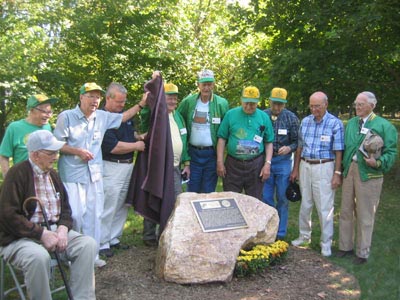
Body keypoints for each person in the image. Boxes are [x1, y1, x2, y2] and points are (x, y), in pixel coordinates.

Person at [54, 82, 147, 267]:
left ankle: (92, 255)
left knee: (94, 216)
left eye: (97, 97)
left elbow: (123, 117)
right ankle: (70, 255)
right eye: (91, 96)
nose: (94, 100)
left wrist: (141, 105)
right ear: (81, 97)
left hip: (94, 175)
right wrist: (77, 151)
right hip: (73, 175)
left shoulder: (102, 117)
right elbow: (56, 145)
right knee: (76, 216)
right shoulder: (67, 117)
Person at [0, 130, 97, 300]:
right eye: (51, 152)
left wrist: (62, 229)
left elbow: (66, 210)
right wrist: (41, 233)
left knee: (87, 245)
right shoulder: (17, 173)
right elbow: (7, 215)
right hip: (19, 237)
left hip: (53, 230)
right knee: (38, 257)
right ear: (36, 155)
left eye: (57, 152)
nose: (56, 156)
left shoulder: (53, 174)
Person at [338, 91, 398, 264]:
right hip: (350, 170)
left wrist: (378, 163)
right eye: (356, 104)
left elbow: (391, 152)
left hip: (370, 174)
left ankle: (362, 252)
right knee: (346, 211)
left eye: (361, 104)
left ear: (372, 106)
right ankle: (345, 246)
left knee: (365, 214)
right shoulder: (351, 124)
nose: (357, 107)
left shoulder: (384, 125)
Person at [290, 91, 344, 257]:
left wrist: (337, 173)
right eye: (312, 106)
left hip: (325, 167)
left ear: (326, 104)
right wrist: (296, 168)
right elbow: (300, 147)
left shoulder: (335, 123)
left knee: (324, 206)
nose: (314, 109)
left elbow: (338, 151)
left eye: (317, 106)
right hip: (306, 165)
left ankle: (326, 243)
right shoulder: (305, 122)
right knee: (305, 204)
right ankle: (304, 236)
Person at [99, 83, 146, 258]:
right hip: (111, 166)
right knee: (109, 205)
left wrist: (139, 137)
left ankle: (114, 238)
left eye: (124, 102)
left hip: (127, 166)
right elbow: (113, 147)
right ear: (108, 98)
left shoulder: (124, 117)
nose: (121, 105)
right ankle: (102, 242)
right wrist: (137, 145)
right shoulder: (103, 118)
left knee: (123, 204)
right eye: (118, 102)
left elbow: (129, 134)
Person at [141, 83, 191, 247]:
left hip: (175, 167)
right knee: (154, 196)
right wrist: (152, 89)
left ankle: (168, 231)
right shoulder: (156, 115)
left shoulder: (178, 117)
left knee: (175, 199)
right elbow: (145, 115)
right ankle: (149, 235)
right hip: (158, 167)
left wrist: (186, 162)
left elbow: (183, 140)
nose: (173, 100)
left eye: (175, 97)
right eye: (169, 96)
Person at [216, 86, 274, 200]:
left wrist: (267, 164)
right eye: (246, 103)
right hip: (233, 164)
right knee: (230, 200)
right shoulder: (230, 114)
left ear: (257, 102)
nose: (248, 106)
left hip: (255, 164)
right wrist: (219, 162)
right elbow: (222, 139)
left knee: (255, 201)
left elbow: (269, 142)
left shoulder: (264, 117)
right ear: (241, 100)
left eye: (252, 104)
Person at [177, 69, 229, 193]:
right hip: (193, 153)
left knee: (208, 190)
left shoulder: (221, 103)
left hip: (211, 154)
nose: (206, 88)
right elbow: (178, 118)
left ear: (213, 85)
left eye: (209, 84)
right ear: (198, 85)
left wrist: (220, 158)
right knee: (192, 190)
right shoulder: (188, 102)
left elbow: (227, 129)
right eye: (204, 84)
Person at [262, 87, 299, 240]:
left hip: (284, 162)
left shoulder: (291, 118)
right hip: (266, 161)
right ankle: (268, 229)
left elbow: (298, 141)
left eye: (280, 105)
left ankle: (281, 233)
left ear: (284, 104)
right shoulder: (262, 115)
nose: (277, 108)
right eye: (274, 104)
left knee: (283, 197)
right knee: (266, 197)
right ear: (269, 101)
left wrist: (289, 147)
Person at [0, 94, 56, 178]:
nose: (48, 116)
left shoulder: (47, 127)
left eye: (50, 112)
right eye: (44, 112)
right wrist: (8, 179)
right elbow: (4, 155)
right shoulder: (15, 127)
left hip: (44, 178)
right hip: (22, 177)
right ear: (32, 110)